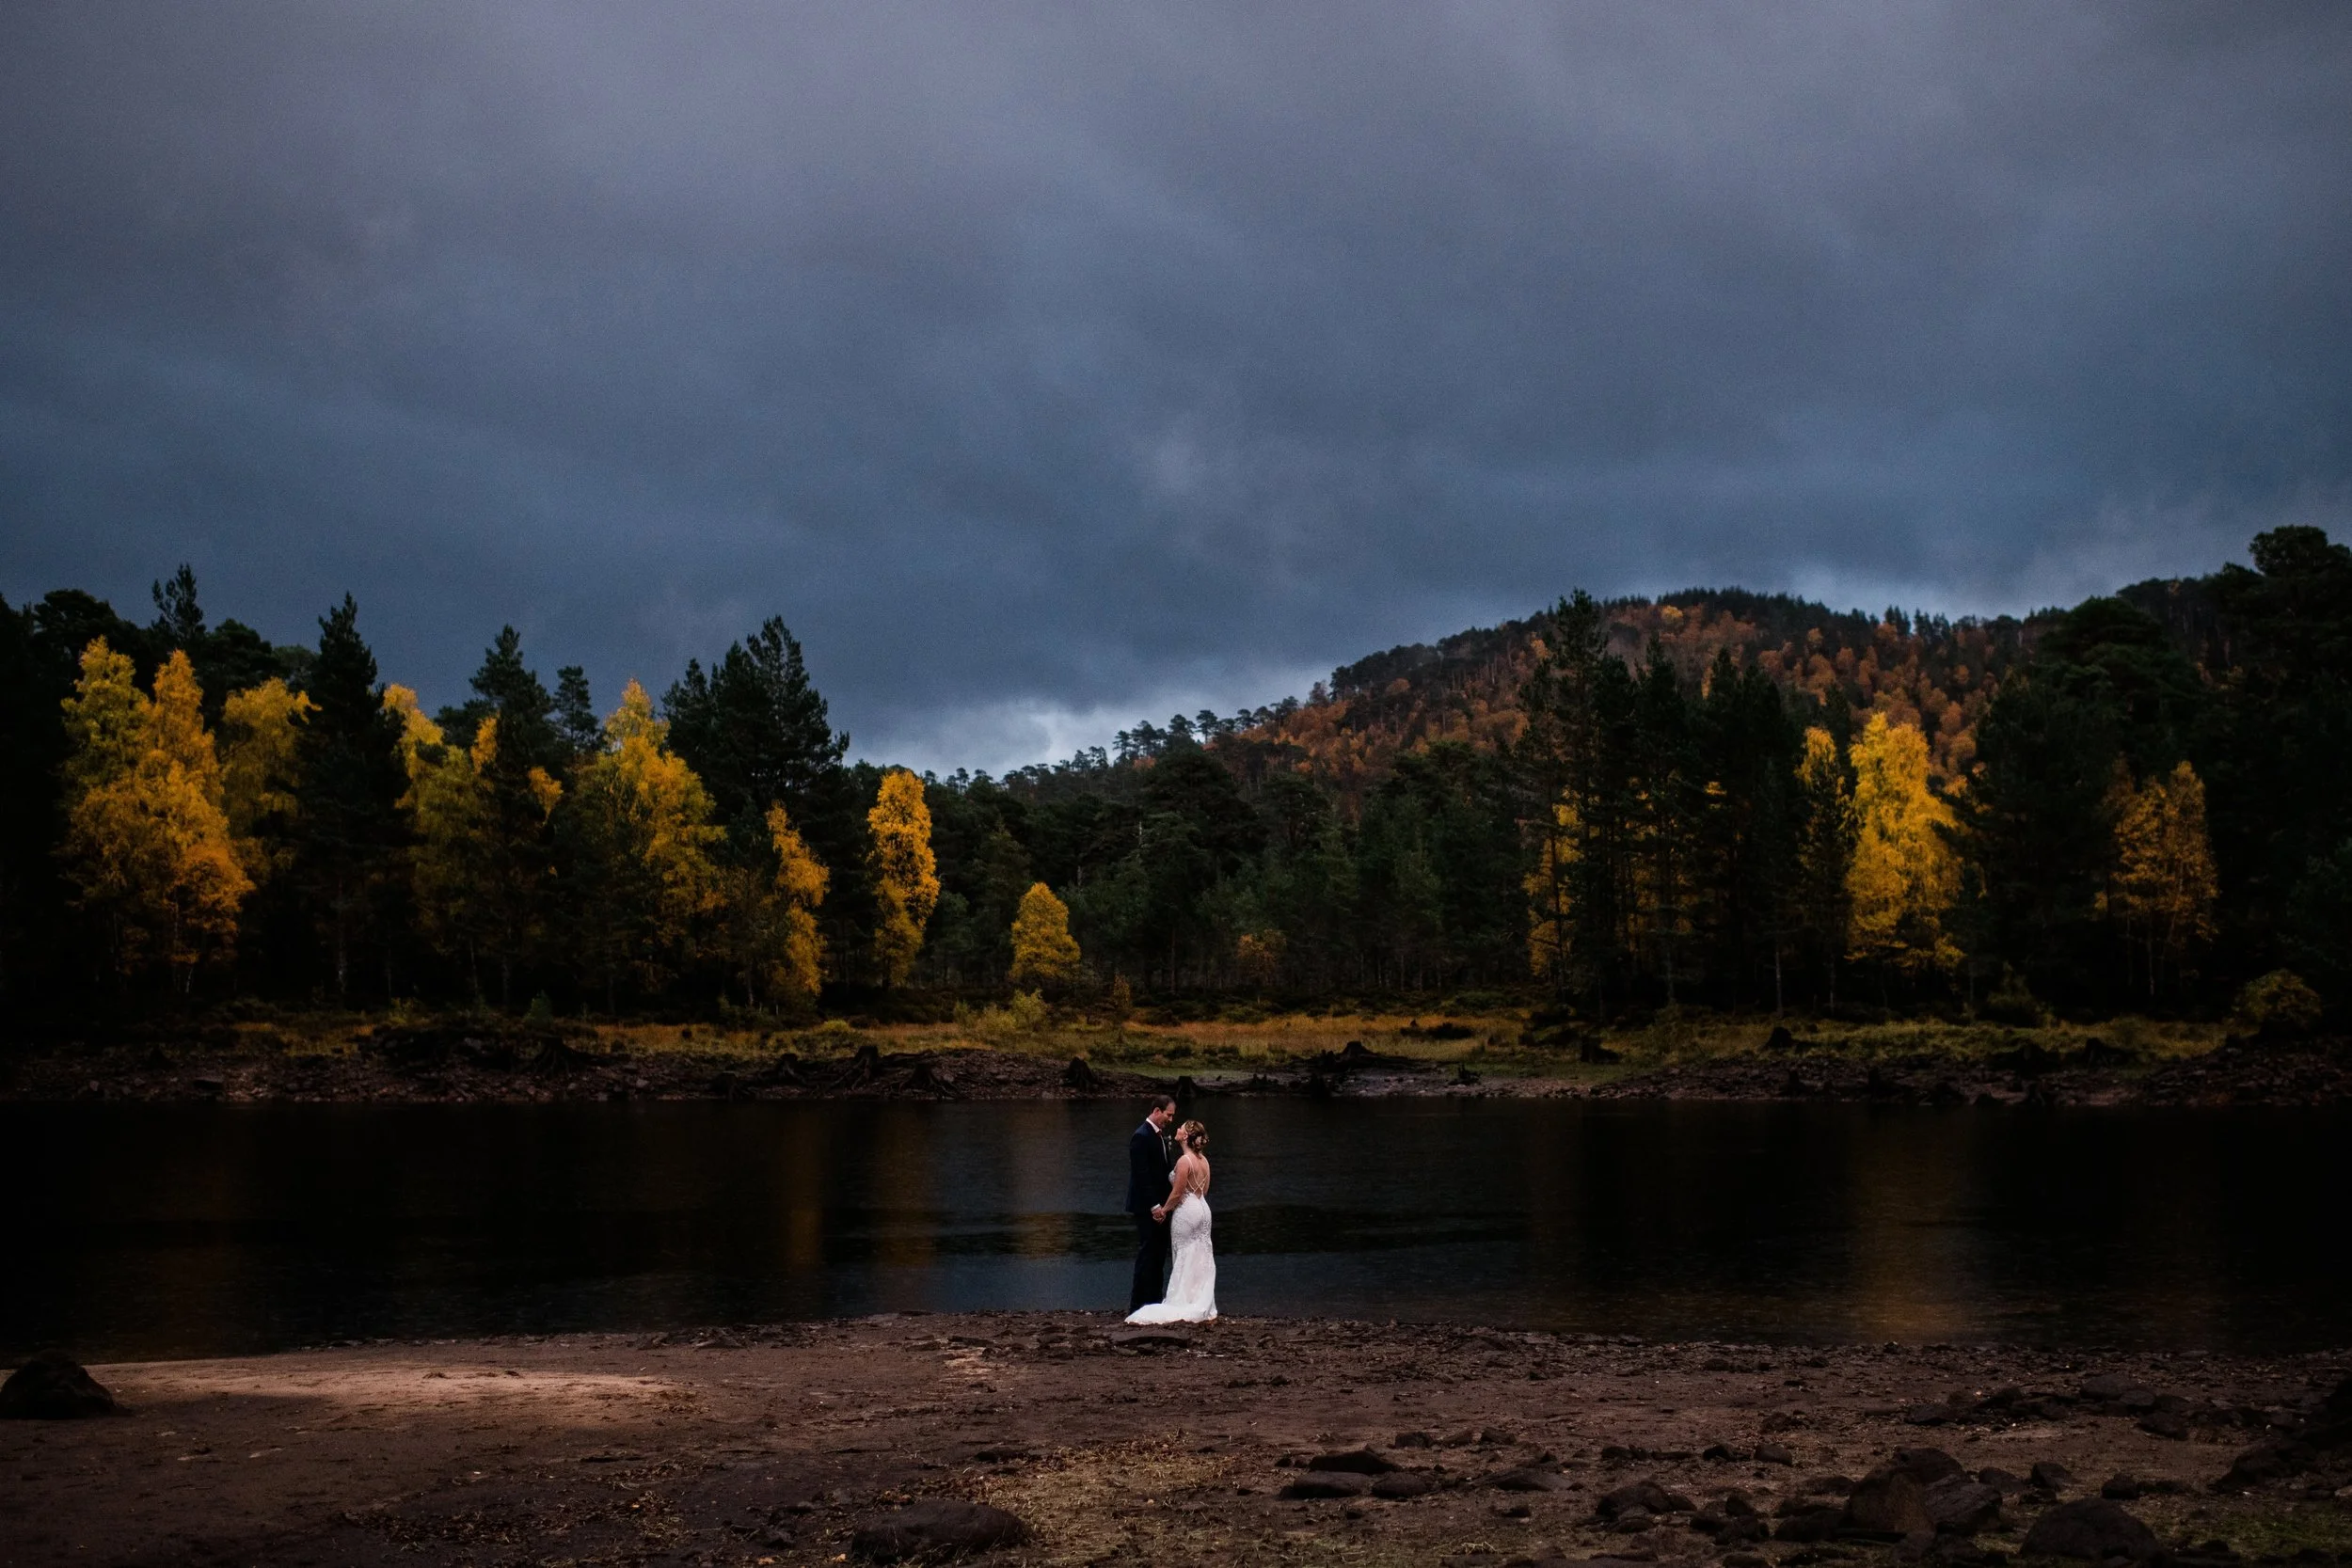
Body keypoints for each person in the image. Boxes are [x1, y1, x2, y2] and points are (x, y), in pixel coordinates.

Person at [1126, 1119, 1216, 1324]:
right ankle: (1201, 1300)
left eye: (1181, 1128)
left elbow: (1177, 1192)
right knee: (1201, 1253)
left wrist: (1164, 1210)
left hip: (1187, 1211)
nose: (1177, 1128)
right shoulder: (1204, 1161)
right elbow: (1205, 1189)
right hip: (1202, 1207)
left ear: (1185, 1136)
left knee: (1184, 1253)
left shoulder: (1185, 1161)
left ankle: (1183, 1300)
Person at [1125, 1095, 1178, 1311]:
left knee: (1158, 1254)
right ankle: (1137, 1304)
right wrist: (1155, 1205)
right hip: (1147, 1207)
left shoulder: (1158, 1136)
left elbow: (1162, 1172)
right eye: (1168, 1115)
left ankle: (1155, 1301)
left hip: (1160, 1206)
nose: (1171, 1120)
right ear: (1156, 1111)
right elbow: (1142, 1175)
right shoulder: (1141, 1136)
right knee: (1147, 1253)